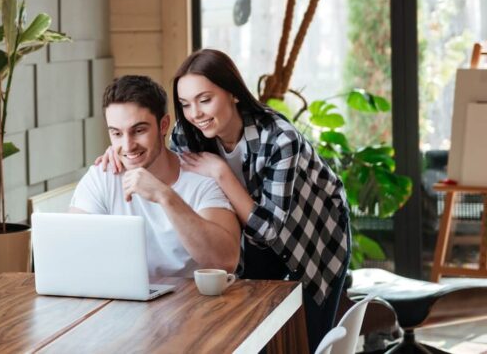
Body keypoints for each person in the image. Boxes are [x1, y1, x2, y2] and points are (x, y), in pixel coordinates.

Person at [96, 49, 350, 354]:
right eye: (186, 105)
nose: (196, 113)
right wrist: (122, 152)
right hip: (252, 242)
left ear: (233, 93)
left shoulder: (281, 138)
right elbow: (161, 161)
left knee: (306, 341)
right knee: (256, 333)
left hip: (313, 236)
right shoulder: (187, 135)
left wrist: (220, 172)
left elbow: (269, 231)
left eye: (205, 100)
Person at [70, 74, 240, 281]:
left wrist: (165, 196)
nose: (128, 145)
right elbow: (73, 250)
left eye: (138, 130)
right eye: (116, 134)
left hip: (191, 306)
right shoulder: (102, 177)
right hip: (123, 302)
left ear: (163, 125)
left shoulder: (201, 179)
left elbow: (226, 262)